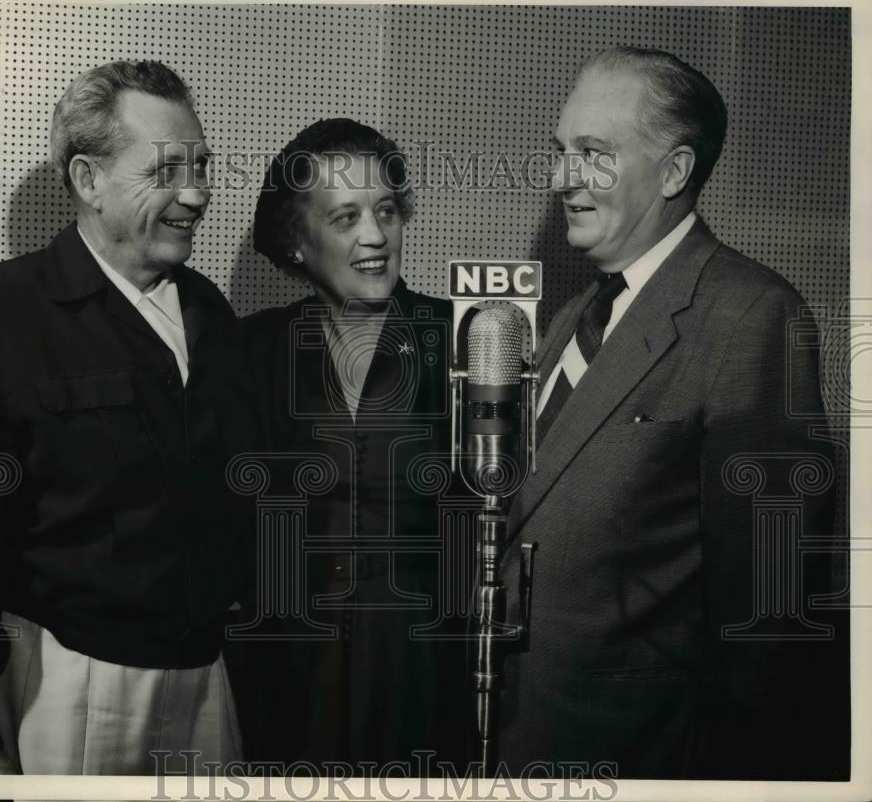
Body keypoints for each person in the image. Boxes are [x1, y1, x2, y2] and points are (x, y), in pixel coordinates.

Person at [499, 47, 848, 779]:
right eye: (560, 151)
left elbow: (770, 618)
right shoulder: (569, 318)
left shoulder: (754, 315)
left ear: (674, 172)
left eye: (593, 154)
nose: (562, 178)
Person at [0, 60, 251, 775]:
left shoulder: (212, 312)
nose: (197, 194)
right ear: (88, 181)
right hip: (68, 690)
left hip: (206, 683)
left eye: (203, 166)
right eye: (168, 170)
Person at [231, 118, 472, 771]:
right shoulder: (252, 353)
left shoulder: (464, 341)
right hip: (287, 677)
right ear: (297, 243)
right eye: (344, 217)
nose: (375, 236)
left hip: (422, 672)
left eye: (386, 210)